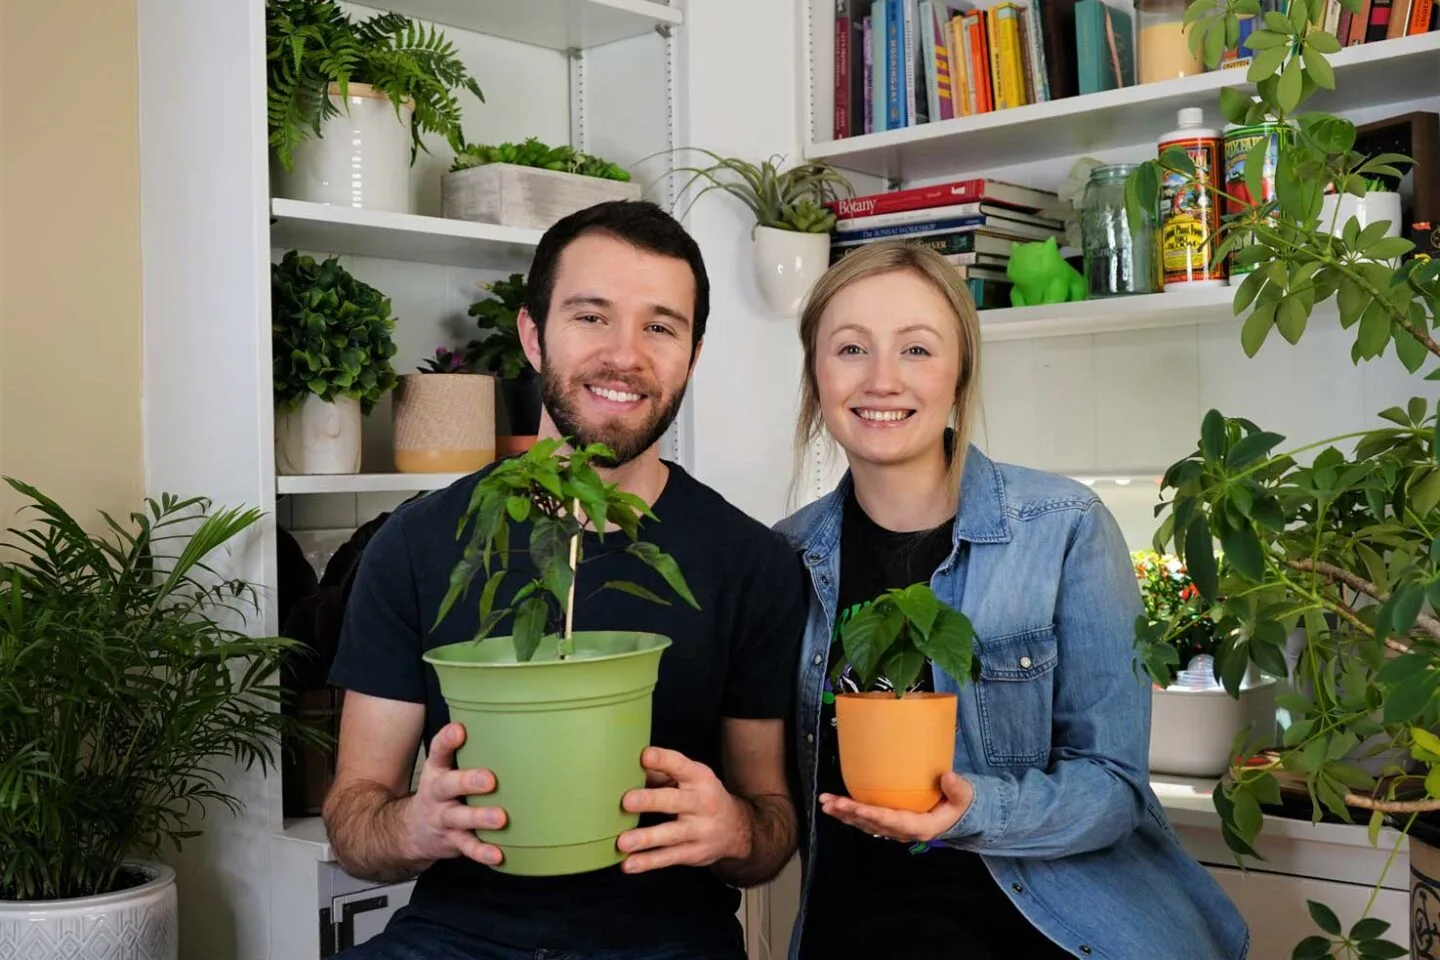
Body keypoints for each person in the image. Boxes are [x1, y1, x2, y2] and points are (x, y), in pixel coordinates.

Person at [322, 200, 808, 960]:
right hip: (455, 936)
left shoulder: (751, 564)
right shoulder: (417, 545)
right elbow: (355, 821)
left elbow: (771, 830)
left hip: (667, 941)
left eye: (660, 326)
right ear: (531, 334)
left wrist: (736, 829)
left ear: (692, 354)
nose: (625, 354)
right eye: (591, 316)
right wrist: (415, 824)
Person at [773, 239, 1251, 960]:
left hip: (1056, 935)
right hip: (859, 931)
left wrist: (974, 811)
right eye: (850, 348)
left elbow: (1114, 788)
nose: (881, 379)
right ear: (815, 372)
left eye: (917, 350)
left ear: (960, 372)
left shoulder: (1063, 528)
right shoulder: (782, 560)